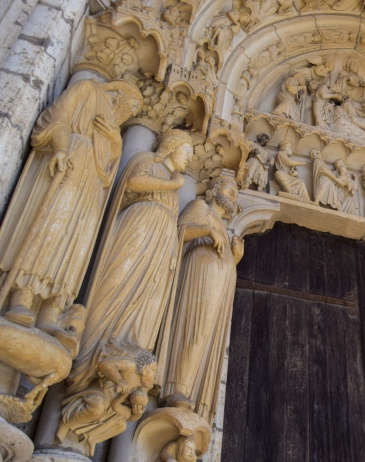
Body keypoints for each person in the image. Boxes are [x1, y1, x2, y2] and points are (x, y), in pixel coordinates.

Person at [0, 80, 142, 342]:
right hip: (70, 163)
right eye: (132, 105)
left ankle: (51, 311)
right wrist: (61, 147)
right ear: (120, 91)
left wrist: (115, 142)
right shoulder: (87, 89)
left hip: (92, 186)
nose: (130, 112)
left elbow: (109, 168)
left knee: (75, 243)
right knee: (50, 228)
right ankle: (21, 296)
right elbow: (58, 117)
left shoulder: (114, 126)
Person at [66, 130, 193, 397]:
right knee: (115, 285)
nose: (190, 159)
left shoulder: (174, 182)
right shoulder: (147, 161)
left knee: (146, 300)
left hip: (160, 244)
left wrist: (172, 250)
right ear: (171, 147)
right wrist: (174, 184)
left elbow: (173, 219)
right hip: (138, 227)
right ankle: (90, 352)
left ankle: (123, 358)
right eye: (187, 151)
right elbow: (134, 182)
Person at [163, 178, 243, 421]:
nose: (233, 196)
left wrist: (234, 258)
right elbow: (178, 233)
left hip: (217, 283)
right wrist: (207, 231)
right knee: (194, 329)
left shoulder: (220, 222)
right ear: (214, 189)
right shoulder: (199, 207)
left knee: (205, 335)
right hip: (198, 278)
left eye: (235, 193)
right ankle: (176, 388)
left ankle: (190, 392)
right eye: (229, 189)